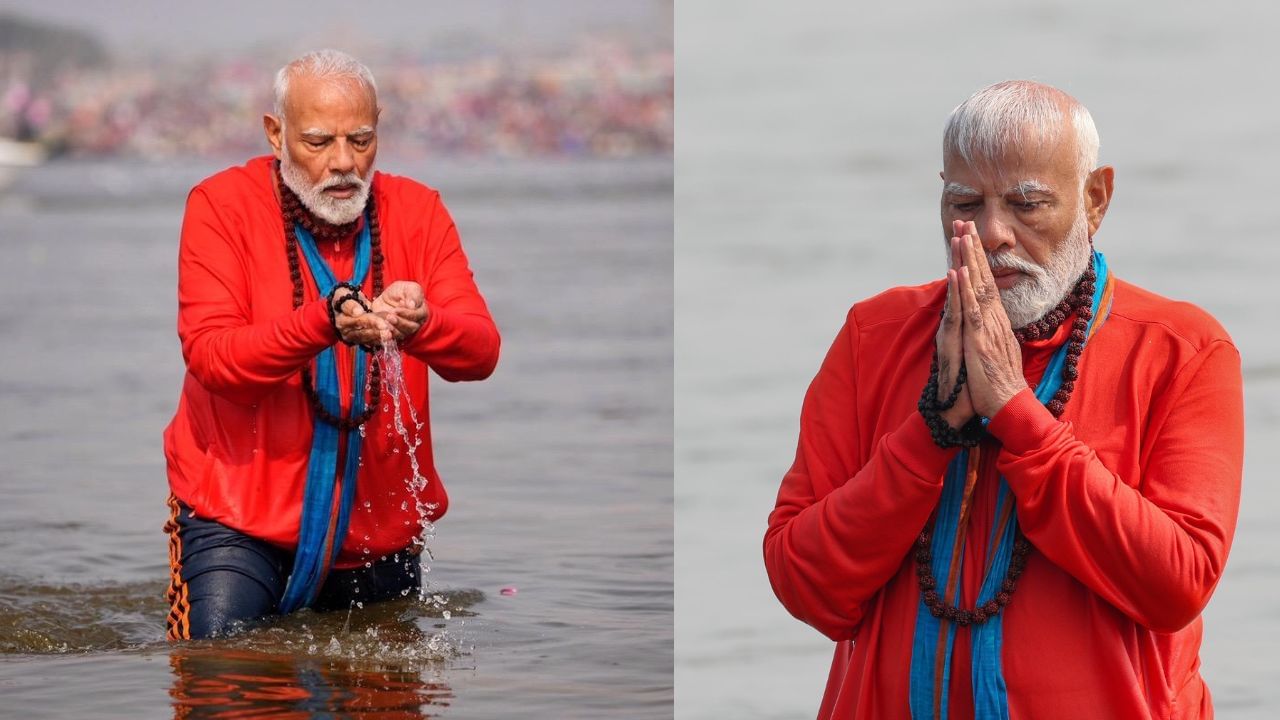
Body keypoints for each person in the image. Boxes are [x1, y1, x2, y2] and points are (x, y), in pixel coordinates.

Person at [763, 80, 1243, 719]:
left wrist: (1019, 416)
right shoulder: (872, 337)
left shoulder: (1181, 349)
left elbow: (1177, 583)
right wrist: (930, 434)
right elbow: (806, 585)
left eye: (1028, 204)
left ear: (1095, 199)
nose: (992, 234)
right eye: (965, 201)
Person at [163, 49, 500, 640]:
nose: (344, 163)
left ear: (379, 129)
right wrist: (323, 321)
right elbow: (215, 360)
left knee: (388, 697)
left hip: (378, 529)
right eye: (318, 142)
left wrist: (423, 323)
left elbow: (481, 352)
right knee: (218, 677)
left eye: (361, 139)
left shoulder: (419, 210)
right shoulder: (219, 205)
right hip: (236, 522)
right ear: (276, 133)